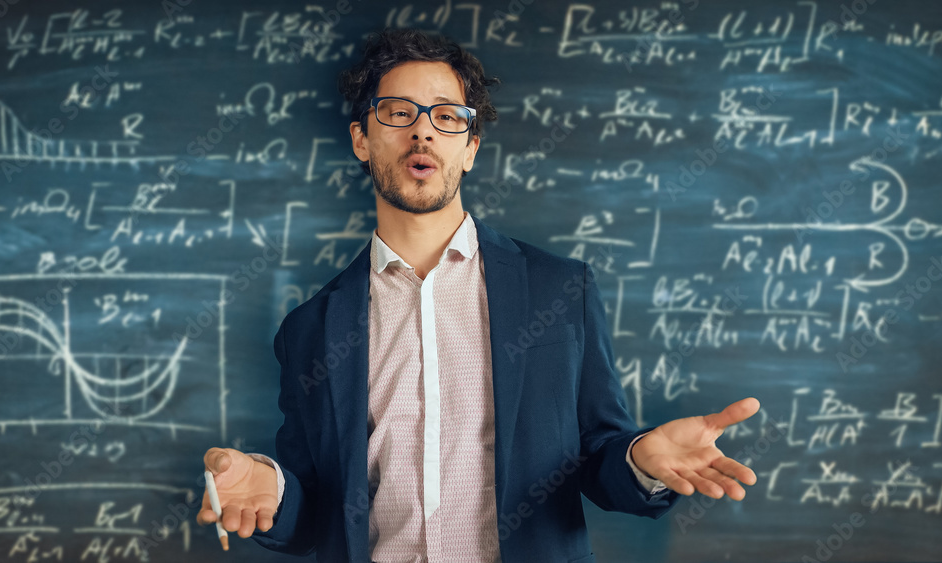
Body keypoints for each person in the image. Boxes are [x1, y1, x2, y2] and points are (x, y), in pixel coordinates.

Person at [198, 28, 760, 562]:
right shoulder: (310, 328)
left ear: (469, 147)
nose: (422, 132)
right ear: (361, 139)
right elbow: (315, 509)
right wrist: (269, 487)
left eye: (446, 117)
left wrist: (642, 461)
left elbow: (597, 453)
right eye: (398, 113)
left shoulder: (559, 291)